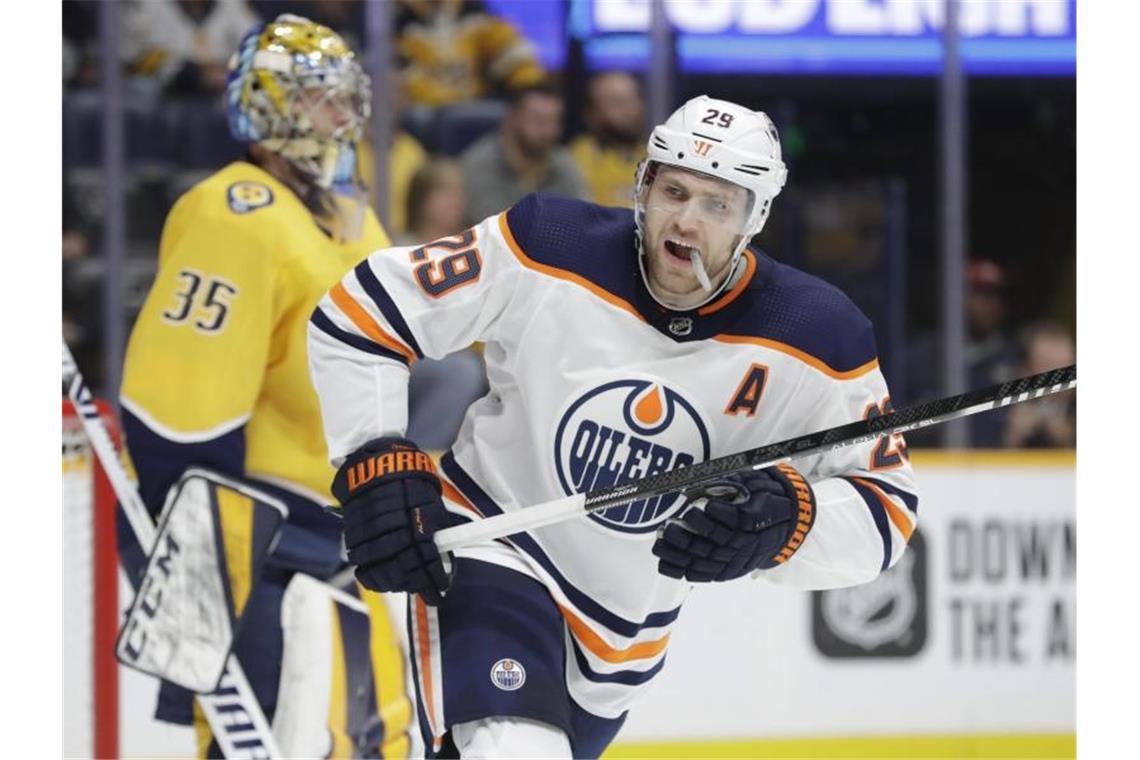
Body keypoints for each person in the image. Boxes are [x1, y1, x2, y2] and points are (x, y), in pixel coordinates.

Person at [307, 95, 920, 758]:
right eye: (674, 189)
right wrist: (371, 456)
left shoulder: (819, 337)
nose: (685, 219)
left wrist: (788, 523)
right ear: (644, 185)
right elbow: (361, 310)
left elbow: (885, 512)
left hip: (621, 645)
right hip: (489, 550)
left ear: (755, 218)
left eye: (717, 204)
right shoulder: (549, 243)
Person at [119, 15, 413, 757]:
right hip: (254, 539)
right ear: (268, 105)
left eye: (349, 97)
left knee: (365, 737)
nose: (343, 116)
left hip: (338, 530)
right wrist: (202, 584)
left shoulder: (351, 217)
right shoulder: (236, 214)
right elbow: (176, 413)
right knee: (265, 740)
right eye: (322, 98)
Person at [459, 82, 588, 225]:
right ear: (512, 118)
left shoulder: (563, 162)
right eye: (538, 120)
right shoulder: (480, 163)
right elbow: (490, 228)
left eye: (553, 121)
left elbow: (581, 220)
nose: (547, 131)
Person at [395, 0, 547, 108]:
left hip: (474, 107)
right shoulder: (399, 22)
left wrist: (528, 90)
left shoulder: (474, 13)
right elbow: (403, 78)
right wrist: (449, 100)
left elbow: (515, 53)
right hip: (425, 114)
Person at [122, 0, 260, 97]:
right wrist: (195, 75)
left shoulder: (232, 6)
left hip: (221, 104)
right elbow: (133, 57)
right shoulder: (149, 7)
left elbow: (258, 49)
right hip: (163, 104)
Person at [569, 71, 647, 208]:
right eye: (618, 103)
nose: (631, 110)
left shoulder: (654, 158)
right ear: (592, 114)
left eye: (634, 99)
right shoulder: (574, 161)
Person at [1004, 322, 1076, 448]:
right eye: (1048, 366)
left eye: (1067, 367)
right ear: (1024, 370)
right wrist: (1010, 437)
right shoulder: (998, 414)